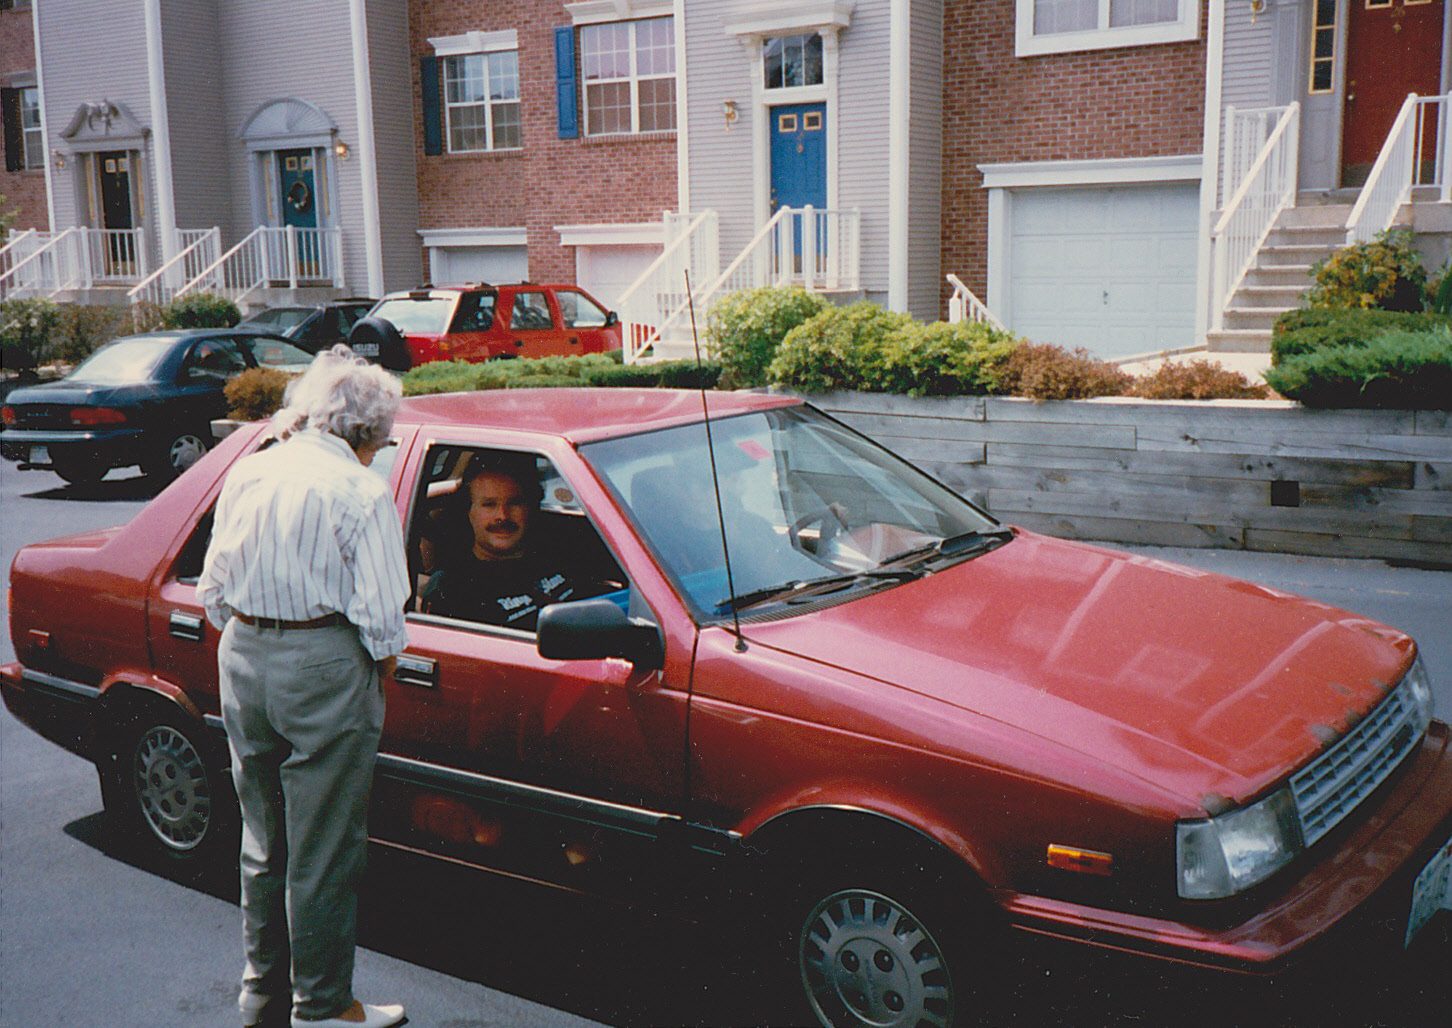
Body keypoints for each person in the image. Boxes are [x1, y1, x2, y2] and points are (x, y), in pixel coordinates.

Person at [197, 345, 410, 1028]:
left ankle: (262, 996)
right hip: (323, 661)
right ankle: (322, 1006)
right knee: (323, 851)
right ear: (366, 433)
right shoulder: (361, 490)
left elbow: (213, 592)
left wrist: (257, 637)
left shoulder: (251, 470)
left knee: (264, 843)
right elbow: (382, 625)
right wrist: (372, 680)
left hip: (244, 654)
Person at [421, 452, 585, 630]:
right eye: (489, 504)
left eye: (514, 503)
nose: (503, 516)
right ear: (469, 512)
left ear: (530, 507)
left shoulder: (558, 551)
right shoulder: (453, 588)